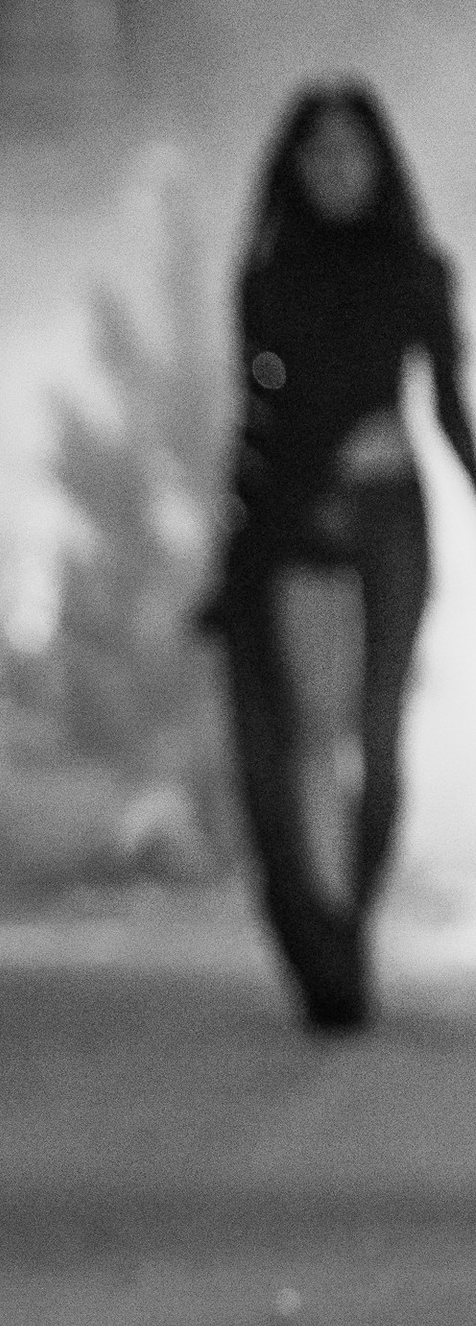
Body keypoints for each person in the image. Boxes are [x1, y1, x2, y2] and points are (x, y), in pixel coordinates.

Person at [202, 82, 476, 1027]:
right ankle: (324, 946)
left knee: (380, 744)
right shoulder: (268, 277)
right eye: (317, 150)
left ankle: (348, 920)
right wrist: (237, 542)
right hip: (296, 521)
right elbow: (258, 415)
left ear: (380, 161)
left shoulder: (418, 271)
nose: (335, 168)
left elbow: (447, 406)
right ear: (293, 165)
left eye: (351, 149)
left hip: (390, 521)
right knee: (311, 740)